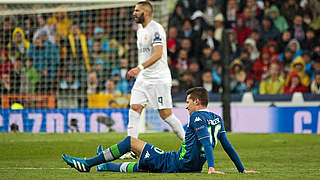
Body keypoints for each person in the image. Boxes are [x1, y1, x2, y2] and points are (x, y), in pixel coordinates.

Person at [62, 87, 259, 174]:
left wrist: (212, 167)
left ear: (197, 102)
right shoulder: (217, 118)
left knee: (131, 142)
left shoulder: (197, 116)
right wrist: (241, 169)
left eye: (189, 102)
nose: (187, 106)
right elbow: (228, 146)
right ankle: (105, 164)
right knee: (145, 164)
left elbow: (207, 142)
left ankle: (87, 163)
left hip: (176, 163)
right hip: (187, 166)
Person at [125, 1, 185, 146]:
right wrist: (141, 71)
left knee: (166, 115)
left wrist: (139, 67)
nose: (134, 13)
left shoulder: (156, 29)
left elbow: (158, 54)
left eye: (137, 11)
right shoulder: (139, 29)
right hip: (143, 78)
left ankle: (188, 142)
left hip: (158, 78)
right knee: (134, 108)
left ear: (146, 12)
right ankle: (131, 147)